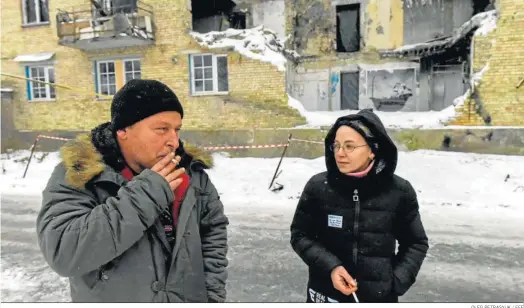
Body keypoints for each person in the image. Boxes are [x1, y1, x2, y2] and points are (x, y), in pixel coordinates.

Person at [36, 79, 229, 302]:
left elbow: (213, 237)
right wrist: (147, 193)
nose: (173, 141)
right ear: (123, 130)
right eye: (161, 129)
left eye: (177, 129)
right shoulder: (81, 173)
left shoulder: (191, 174)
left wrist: (212, 297)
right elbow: (64, 253)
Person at [290, 109, 429, 303]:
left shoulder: (399, 191)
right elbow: (300, 235)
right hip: (325, 294)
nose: (340, 153)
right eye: (336, 145)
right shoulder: (318, 187)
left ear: (372, 150)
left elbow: (416, 243)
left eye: (349, 146)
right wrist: (331, 267)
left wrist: (395, 282)